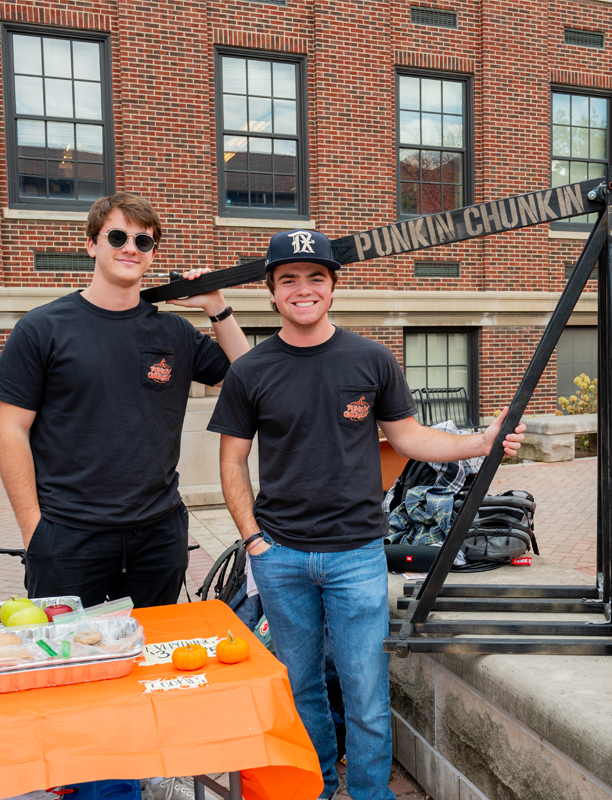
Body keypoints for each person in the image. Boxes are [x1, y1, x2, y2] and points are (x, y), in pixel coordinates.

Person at [208, 229, 525, 800]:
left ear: (333, 286)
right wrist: (253, 540)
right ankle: (321, 788)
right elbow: (232, 461)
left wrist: (482, 443)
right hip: (280, 557)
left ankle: (371, 796)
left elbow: (408, 439)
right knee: (302, 688)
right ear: (272, 293)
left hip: (357, 556)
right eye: (289, 280)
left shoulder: (371, 359)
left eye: (315, 278)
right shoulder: (251, 371)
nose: (302, 290)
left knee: (367, 697)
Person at [0, 192, 249, 611]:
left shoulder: (175, 334)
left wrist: (218, 308)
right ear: (92, 244)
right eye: (118, 236)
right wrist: (32, 528)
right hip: (68, 535)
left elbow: (251, 380)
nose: (130, 248)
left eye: (143, 242)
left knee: (153, 657)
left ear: (152, 254)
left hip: (158, 536)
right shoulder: (42, 328)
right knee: (70, 661)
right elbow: (9, 428)